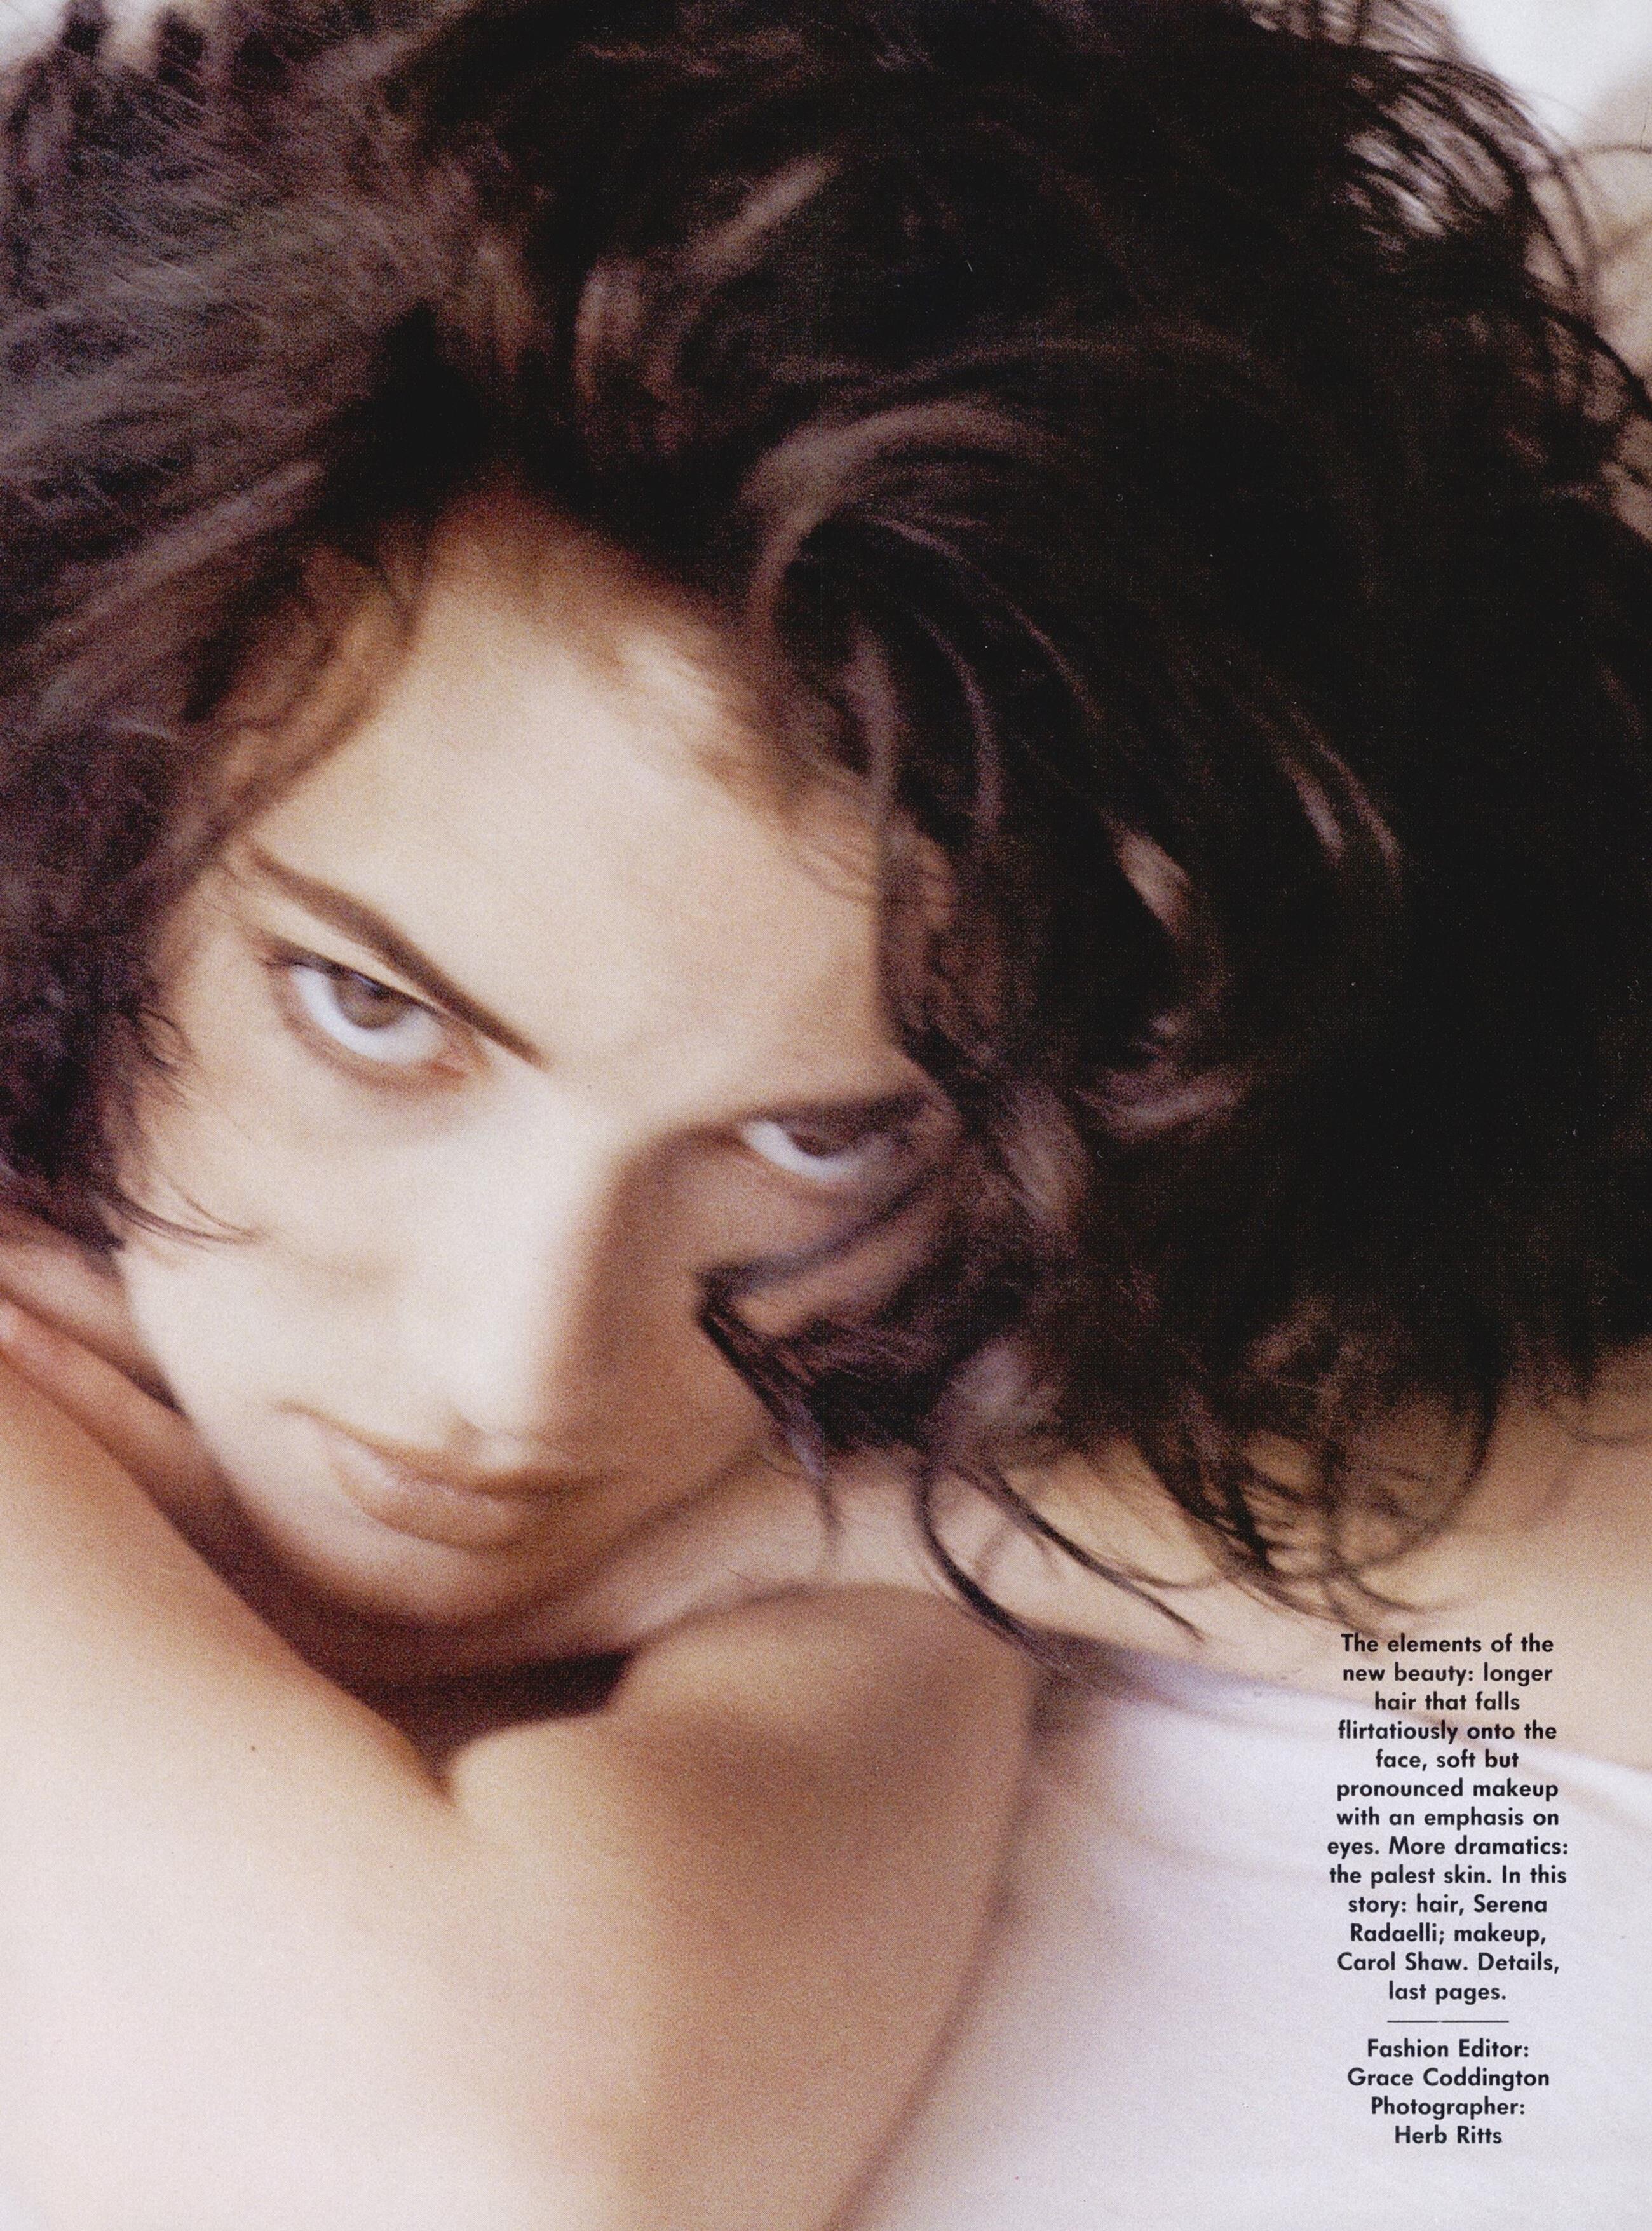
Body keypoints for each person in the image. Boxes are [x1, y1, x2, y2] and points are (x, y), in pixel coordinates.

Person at [0, 1, 1646, 2225]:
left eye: (819, 1136)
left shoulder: (886, 1434)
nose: (513, 1376)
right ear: (97, 809)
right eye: (368, 1012)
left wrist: (890, 1507)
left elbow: (508, 2163)